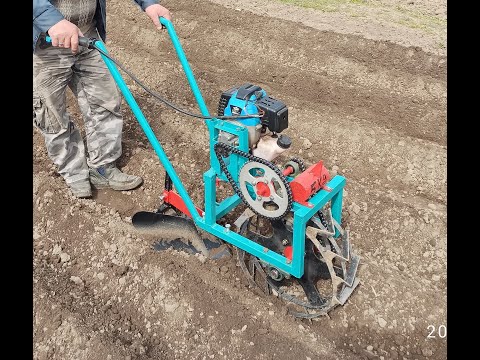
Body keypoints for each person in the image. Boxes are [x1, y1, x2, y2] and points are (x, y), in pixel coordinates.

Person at [33, 0, 172, 198]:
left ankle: (103, 168)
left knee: (105, 100)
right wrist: (52, 21)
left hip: (87, 35)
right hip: (45, 40)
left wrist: (149, 3)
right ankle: (74, 173)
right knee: (51, 114)